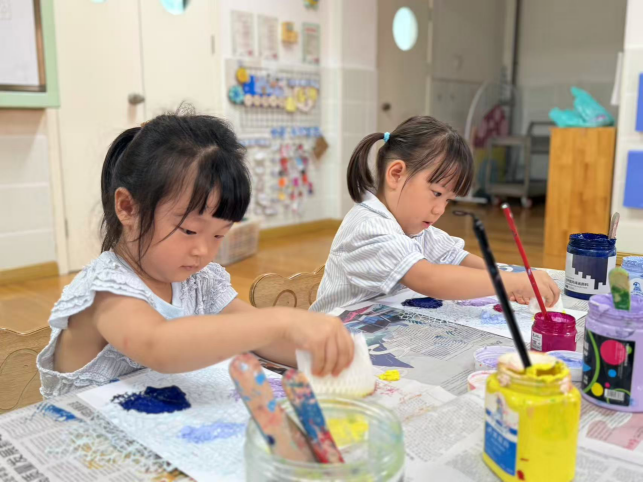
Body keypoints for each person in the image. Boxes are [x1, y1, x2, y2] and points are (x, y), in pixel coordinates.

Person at [38, 110, 353, 398]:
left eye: (218, 235)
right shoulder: (105, 289)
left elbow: (258, 335)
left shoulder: (198, 281)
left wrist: (324, 355)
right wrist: (281, 321)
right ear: (128, 208)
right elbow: (159, 345)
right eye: (189, 230)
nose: (203, 251)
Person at [311, 116, 560, 314]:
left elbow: (456, 257)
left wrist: (515, 278)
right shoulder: (368, 226)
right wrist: (510, 283)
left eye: (448, 200)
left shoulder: (411, 227)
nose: (440, 209)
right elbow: (428, 278)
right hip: (328, 343)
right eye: (436, 193)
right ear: (396, 174)